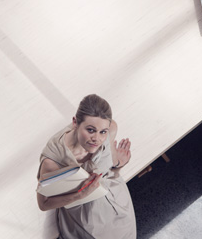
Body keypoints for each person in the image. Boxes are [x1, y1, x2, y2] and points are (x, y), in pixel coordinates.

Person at [36, 94, 136, 239]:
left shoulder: (111, 127)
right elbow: (43, 204)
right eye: (90, 130)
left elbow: (111, 164)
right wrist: (81, 194)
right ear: (75, 122)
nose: (97, 139)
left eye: (103, 132)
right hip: (85, 218)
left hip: (117, 200)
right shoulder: (52, 161)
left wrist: (119, 164)